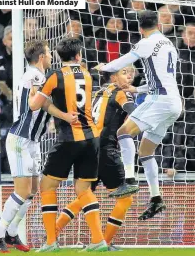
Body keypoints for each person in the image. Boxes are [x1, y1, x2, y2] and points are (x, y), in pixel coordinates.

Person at [0, 40, 78, 253]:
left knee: (31, 192)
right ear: (41, 57)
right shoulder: (37, 76)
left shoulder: (32, 75)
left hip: (33, 141)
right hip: (21, 139)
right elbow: (37, 103)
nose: (50, 57)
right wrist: (64, 115)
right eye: (48, 53)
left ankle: (11, 233)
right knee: (22, 191)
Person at [94, 10, 182, 220]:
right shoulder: (169, 44)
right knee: (145, 152)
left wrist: (103, 67)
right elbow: (163, 79)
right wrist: (137, 90)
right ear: (158, 25)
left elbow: (120, 63)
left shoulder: (145, 42)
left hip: (159, 100)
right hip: (174, 103)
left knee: (123, 132)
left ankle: (130, 181)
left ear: (141, 29)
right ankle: (156, 199)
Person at [29, 37, 105, 252]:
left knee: (47, 187)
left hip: (68, 139)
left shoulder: (55, 75)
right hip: (91, 139)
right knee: (83, 189)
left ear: (59, 56)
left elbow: (35, 106)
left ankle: (51, 242)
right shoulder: (88, 75)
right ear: (79, 56)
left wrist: (35, 92)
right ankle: (98, 240)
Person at [54, 66, 136, 251]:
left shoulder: (95, 93)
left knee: (84, 197)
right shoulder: (122, 93)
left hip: (87, 148)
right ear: (113, 77)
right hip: (106, 151)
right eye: (124, 72)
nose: (130, 75)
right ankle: (104, 242)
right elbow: (135, 113)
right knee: (125, 199)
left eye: (131, 72)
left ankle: (52, 234)